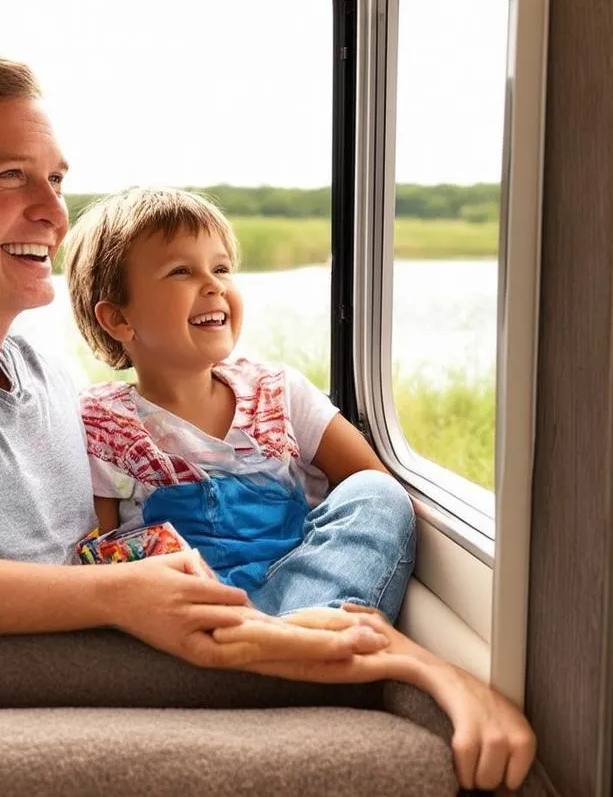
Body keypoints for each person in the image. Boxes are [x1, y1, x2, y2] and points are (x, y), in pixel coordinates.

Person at [0, 47, 535, 792]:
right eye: (9, 177)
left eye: (56, 179)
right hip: (67, 711)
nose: (54, 213)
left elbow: (114, 550)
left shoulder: (41, 377)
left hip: (140, 666)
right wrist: (116, 595)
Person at [64, 186, 415, 624]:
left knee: (378, 494)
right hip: (194, 614)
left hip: (298, 591)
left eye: (222, 268)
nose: (213, 284)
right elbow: (100, 557)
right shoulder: (102, 426)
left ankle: (299, 633)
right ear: (119, 319)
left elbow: (368, 480)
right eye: (181, 272)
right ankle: (301, 646)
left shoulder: (278, 392)